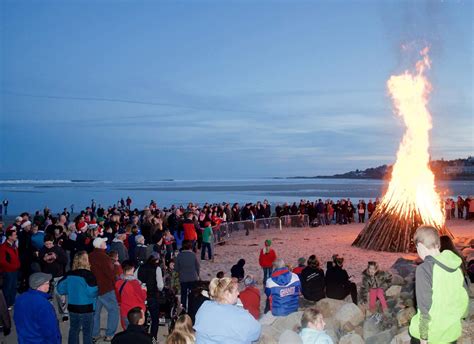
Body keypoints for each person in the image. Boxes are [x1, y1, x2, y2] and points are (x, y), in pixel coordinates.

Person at [409, 226, 469, 344]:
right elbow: (464, 299)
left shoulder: (424, 269)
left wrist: (423, 336)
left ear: (420, 246)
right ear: (438, 244)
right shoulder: (455, 265)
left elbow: (424, 306)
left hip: (433, 335)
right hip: (451, 333)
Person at [194, 277, 261, 343]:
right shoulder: (240, 315)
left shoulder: (205, 306)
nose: (238, 293)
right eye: (236, 290)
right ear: (227, 294)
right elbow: (256, 333)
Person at [57, 251, 98, 344]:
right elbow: (92, 292)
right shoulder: (89, 275)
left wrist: (71, 290)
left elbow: (60, 289)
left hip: (73, 307)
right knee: (87, 332)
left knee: (74, 329)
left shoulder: (69, 274)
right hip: (87, 307)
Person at [14, 272, 61, 344]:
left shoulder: (20, 298)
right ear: (39, 286)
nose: (49, 285)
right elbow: (50, 330)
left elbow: (17, 319)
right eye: (47, 283)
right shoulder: (44, 304)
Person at [89, 237, 120, 341]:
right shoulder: (104, 257)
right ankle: (110, 334)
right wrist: (115, 269)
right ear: (100, 245)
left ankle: (94, 334)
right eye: (103, 242)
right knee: (113, 310)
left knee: (95, 312)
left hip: (94, 288)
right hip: (106, 288)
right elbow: (110, 274)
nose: (105, 243)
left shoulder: (90, 256)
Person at [39, 234, 69, 321]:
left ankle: (64, 313)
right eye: (46, 244)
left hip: (58, 275)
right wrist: (43, 260)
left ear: (53, 242)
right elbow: (40, 262)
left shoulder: (58, 249)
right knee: (49, 296)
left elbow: (65, 261)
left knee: (60, 295)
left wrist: (56, 257)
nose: (48, 246)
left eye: (49, 244)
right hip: (47, 276)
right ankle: (51, 314)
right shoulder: (42, 250)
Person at [175, 240, 200, 311]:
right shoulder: (193, 255)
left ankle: (183, 309)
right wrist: (197, 275)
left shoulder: (179, 255)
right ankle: (191, 309)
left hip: (183, 278)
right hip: (193, 277)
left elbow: (176, 268)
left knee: (183, 294)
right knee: (192, 295)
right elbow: (197, 266)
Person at [0, 229, 21, 308]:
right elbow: (2, 261)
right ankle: (6, 304)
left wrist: (18, 265)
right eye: (14, 235)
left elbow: (16, 257)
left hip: (14, 270)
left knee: (13, 287)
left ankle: (11, 303)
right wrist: (13, 266)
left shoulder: (14, 245)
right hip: (8, 271)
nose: (16, 236)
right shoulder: (3, 247)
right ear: (9, 237)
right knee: (7, 288)